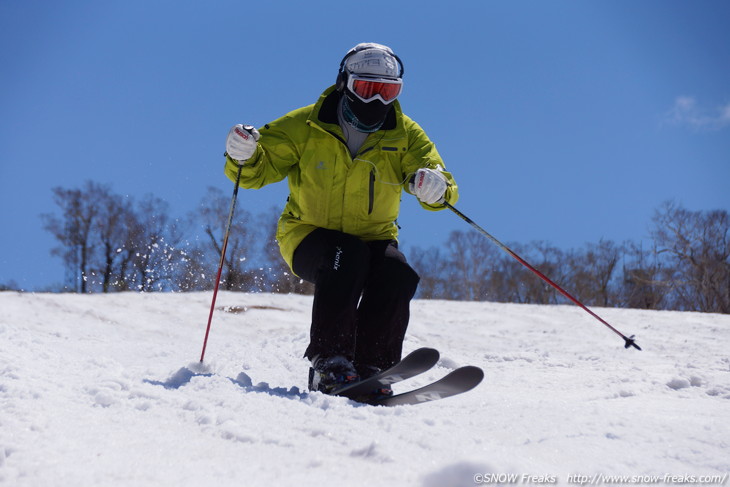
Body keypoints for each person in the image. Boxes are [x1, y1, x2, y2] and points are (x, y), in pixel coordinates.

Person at [223, 42, 458, 398]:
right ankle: (329, 364)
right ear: (344, 84)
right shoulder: (305, 126)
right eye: (366, 88)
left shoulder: (406, 135)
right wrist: (243, 155)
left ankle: (372, 365)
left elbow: (437, 177)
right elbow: (256, 171)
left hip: (374, 238)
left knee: (397, 272)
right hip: (308, 236)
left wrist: (437, 187)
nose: (376, 101)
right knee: (345, 255)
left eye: (387, 91)